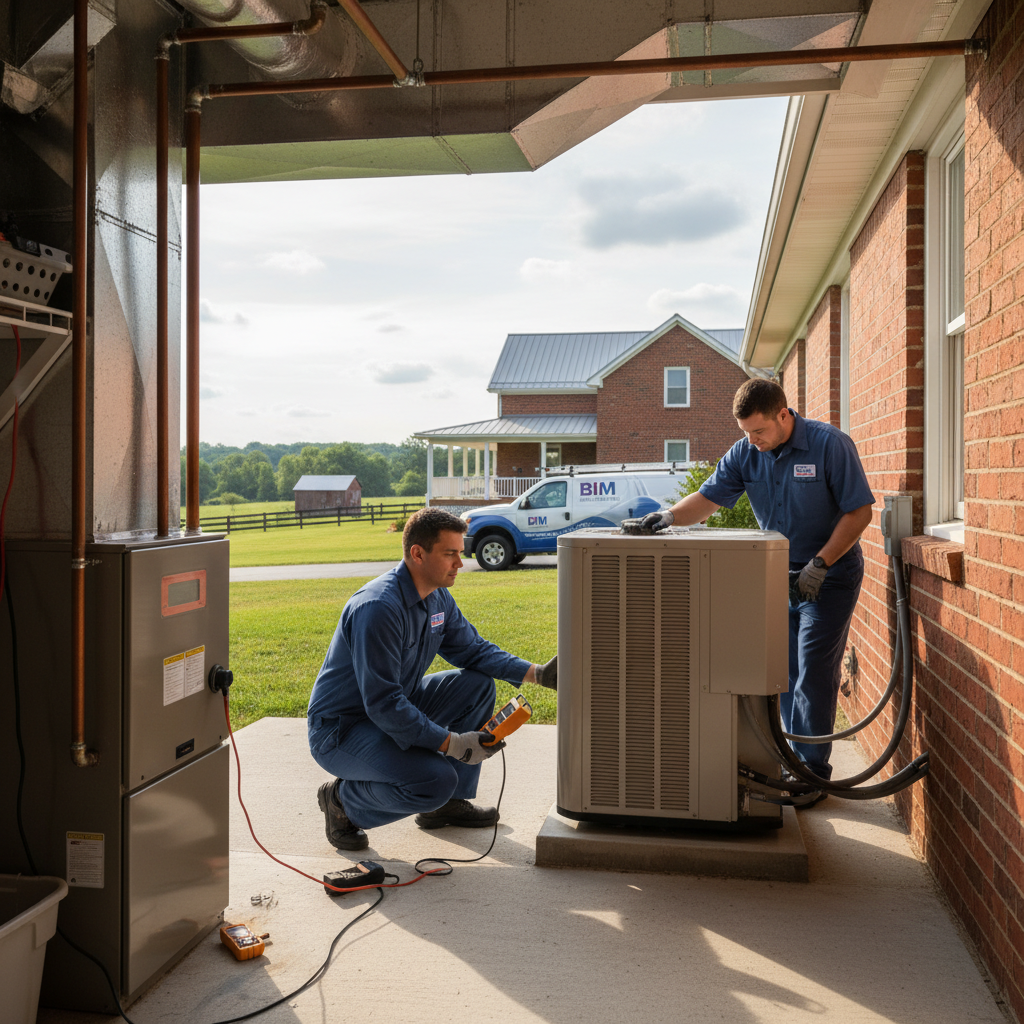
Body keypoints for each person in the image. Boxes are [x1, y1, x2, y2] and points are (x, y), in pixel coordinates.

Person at [638, 378, 874, 783]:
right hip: (780, 577)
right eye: (745, 432)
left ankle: (811, 773)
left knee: (814, 670)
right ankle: (791, 757)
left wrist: (820, 564)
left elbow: (860, 512)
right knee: (782, 671)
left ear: (783, 415)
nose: (753, 440)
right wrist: (669, 517)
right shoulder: (745, 452)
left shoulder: (829, 445)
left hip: (830, 576)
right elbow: (708, 497)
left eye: (759, 430)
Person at [307, 507, 557, 850]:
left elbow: (474, 651)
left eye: (461, 551)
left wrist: (538, 674)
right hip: (341, 730)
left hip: (391, 709)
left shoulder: (437, 596)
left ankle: (446, 806)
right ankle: (342, 802)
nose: (461, 562)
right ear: (417, 553)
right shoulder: (378, 608)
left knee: (477, 684)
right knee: (434, 780)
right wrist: (454, 744)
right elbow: (383, 704)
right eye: (450, 553)